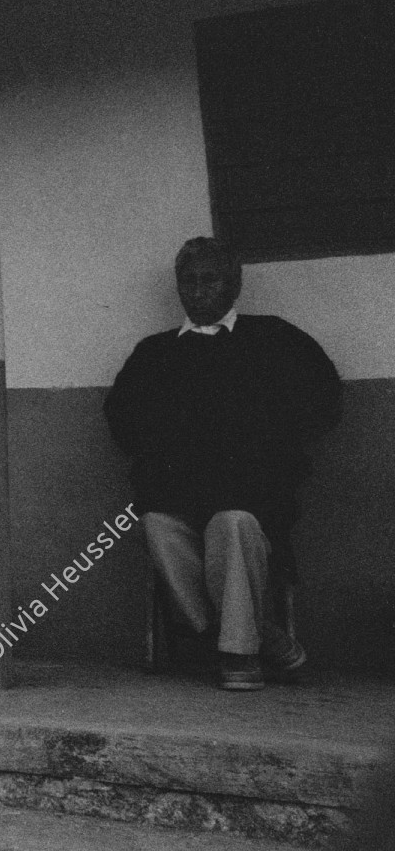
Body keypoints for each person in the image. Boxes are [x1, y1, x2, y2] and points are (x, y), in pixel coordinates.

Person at [104, 236, 341, 690]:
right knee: (155, 524)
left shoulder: (274, 338)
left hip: (252, 498)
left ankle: (239, 656)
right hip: (177, 498)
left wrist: (264, 451)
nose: (197, 291)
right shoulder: (154, 354)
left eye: (209, 280)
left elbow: (323, 403)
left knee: (231, 523)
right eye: (187, 282)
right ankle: (265, 636)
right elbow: (123, 421)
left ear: (234, 285)